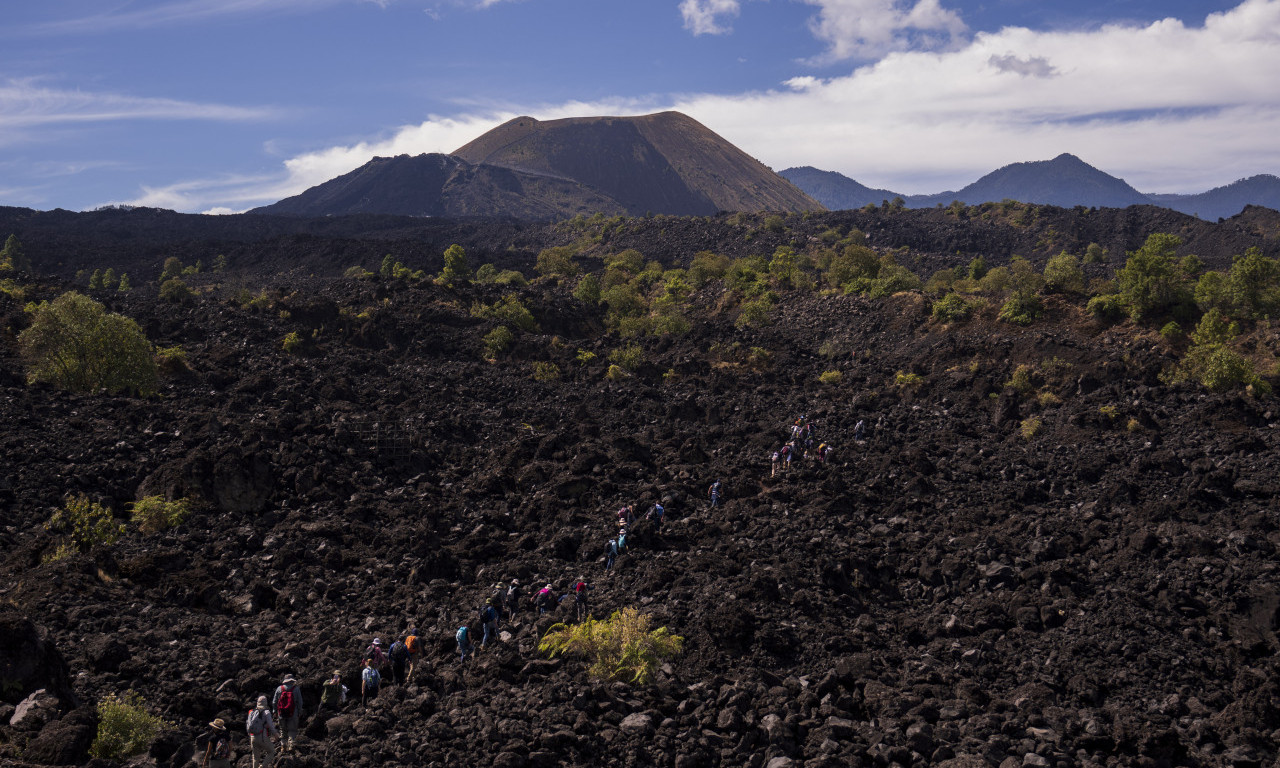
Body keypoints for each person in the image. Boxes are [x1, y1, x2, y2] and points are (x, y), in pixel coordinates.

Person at [245, 696, 280, 768]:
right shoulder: (266, 712)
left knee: (255, 757)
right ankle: (262, 766)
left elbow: (248, 724)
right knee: (271, 752)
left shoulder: (251, 711)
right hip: (262, 737)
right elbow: (271, 726)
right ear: (265, 703)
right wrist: (276, 735)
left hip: (252, 737)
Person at [272, 675, 302, 752]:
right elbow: (300, 702)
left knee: (283, 730)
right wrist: (299, 712)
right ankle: (291, 746)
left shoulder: (279, 688)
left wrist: (274, 711)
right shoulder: (296, 689)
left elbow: (274, 702)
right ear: (292, 681)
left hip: (281, 714)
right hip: (293, 713)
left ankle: (283, 746)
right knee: (292, 730)